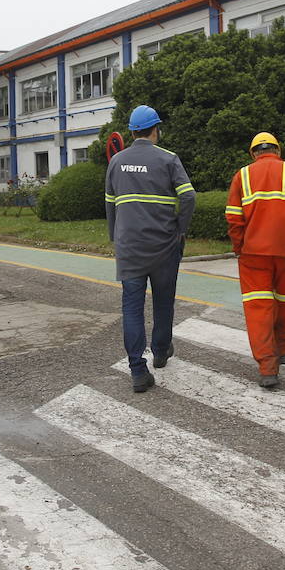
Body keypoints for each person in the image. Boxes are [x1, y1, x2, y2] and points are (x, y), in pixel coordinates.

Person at [105, 105, 196, 393]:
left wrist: (114, 237)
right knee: (163, 300)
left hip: (129, 248)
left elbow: (110, 205)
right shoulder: (168, 159)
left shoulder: (116, 162)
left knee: (131, 307)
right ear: (156, 129)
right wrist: (181, 230)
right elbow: (189, 196)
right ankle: (160, 351)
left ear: (132, 131)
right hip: (164, 245)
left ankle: (137, 371)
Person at [224, 132, 285, 389]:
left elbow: (233, 217)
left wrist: (239, 247)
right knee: (283, 301)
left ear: (254, 153)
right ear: (278, 150)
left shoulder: (242, 175)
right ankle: (283, 349)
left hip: (253, 255)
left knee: (258, 308)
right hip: (284, 253)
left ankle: (267, 367)